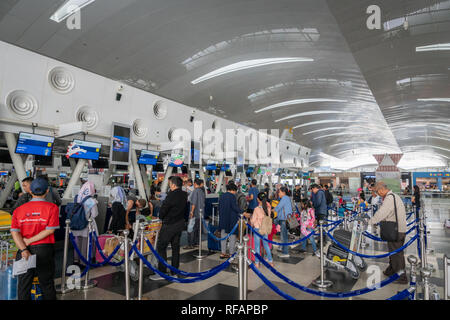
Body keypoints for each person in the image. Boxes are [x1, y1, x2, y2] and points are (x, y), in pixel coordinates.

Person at [10, 177, 59, 300]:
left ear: (30, 191)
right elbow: (50, 230)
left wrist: (24, 249)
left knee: (23, 285)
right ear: (47, 191)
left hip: (24, 249)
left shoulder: (19, 210)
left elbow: (14, 232)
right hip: (44, 250)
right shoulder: (52, 208)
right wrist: (31, 241)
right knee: (46, 283)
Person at [367, 181, 408, 284]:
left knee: (397, 253)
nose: (377, 194)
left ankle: (401, 277)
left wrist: (370, 222)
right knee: (394, 252)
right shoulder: (393, 196)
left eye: (377, 191)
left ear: (381, 189)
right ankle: (392, 270)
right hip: (397, 229)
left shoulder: (390, 198)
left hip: (396, 230)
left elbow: (382, 212)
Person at [150, 176, 187, 280]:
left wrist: (160, 216)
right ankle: (174, 271)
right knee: (175, 248)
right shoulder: (184, 194)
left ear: (174, 185)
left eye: (170, 183)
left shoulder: (171, 195)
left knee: (161, 247)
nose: (169, 185)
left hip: (169, 225)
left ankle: (162, 273)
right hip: (179, 224)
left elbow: (164, 209)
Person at [71, 182, 99, 268]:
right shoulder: (91, 201)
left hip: (76, 224)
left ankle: (76, 260)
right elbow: (94, 214)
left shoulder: (77, 198)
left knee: (77, 242)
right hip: (87, 225)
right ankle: (84, 262)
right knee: (85, 244)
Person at [218, 183, 242, 259]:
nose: (235, 192)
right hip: (231, 220)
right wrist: (242, 211)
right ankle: (231, 253)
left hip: (223, 219)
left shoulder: (222, 196)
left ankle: (223, 253)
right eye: (235, 191)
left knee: (223, 237)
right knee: (232, 237)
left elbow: (219, 207)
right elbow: (234, 207)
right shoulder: (232, 196)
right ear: (233, 190)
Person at [250, 192, 274, 268]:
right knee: (266, 245)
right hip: (265, 228)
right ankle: (271, 261)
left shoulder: (256, 209)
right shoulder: (268, 208)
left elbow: (253, 221)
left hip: (257, 229)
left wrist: (250, 220)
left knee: (257, 247)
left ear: (257, 199)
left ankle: (257, 263)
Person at [185, 179, 205, 249]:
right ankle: (196, 243)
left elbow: (194, 203)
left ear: (195, 183)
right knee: (197, 229)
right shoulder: (202, 191)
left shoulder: (195, 191)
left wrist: (191, 212)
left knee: (191, 229)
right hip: (201, 214)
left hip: (194, 213)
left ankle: (190, 244)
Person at [272, 187, 292, 258]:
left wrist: (271, 210)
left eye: (279, 192)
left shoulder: (285, 198)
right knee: (284, 235)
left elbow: (278, 207)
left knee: (284, 236)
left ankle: (285, 252)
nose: (278, 193)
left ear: (283, 192)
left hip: (284, 220)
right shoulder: (286, 198)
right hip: (284, 219)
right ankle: (284, 250)